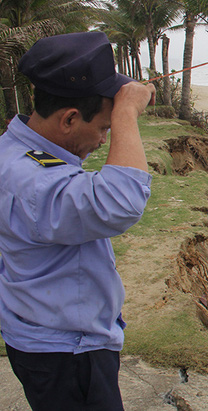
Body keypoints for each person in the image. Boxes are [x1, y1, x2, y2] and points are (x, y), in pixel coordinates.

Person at [0, 31, 155, 410]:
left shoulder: (13, 150)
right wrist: (125, 113)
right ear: (69, 118)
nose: (104, 140)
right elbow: (121, 201)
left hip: (37, 335)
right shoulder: (38, 182)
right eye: (103, 128)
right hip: (68, 352)